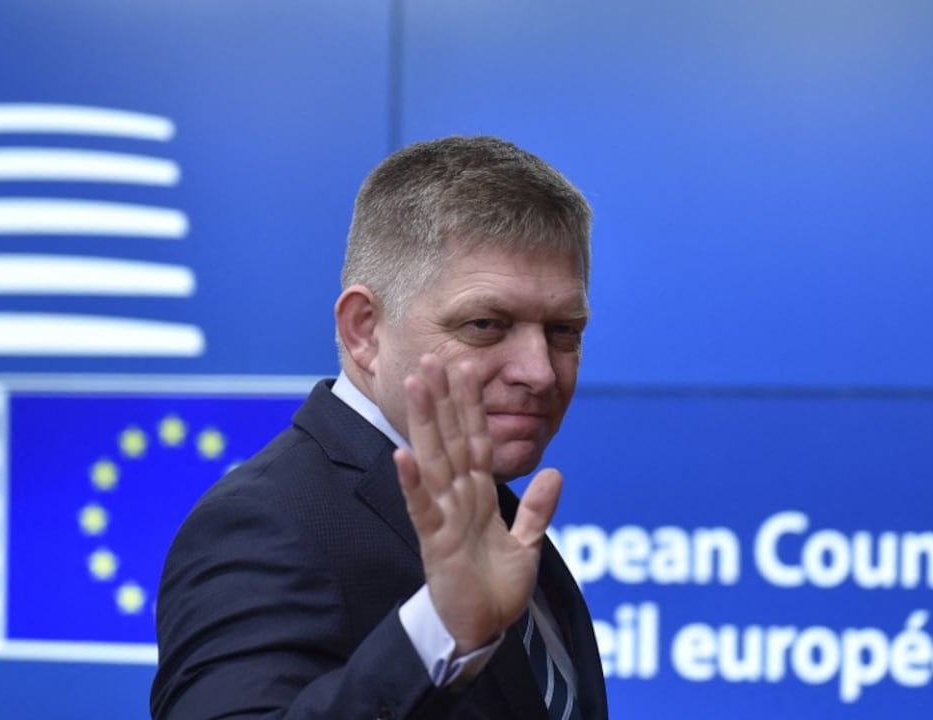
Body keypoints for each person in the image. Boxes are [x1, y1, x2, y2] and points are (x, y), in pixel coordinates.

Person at [151, 136, 608, 719]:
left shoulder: (500, 512)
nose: (540, 372)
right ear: (364, 330)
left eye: (564, 331)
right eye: (486, 324)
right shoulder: (263, 521)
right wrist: (438, 634)